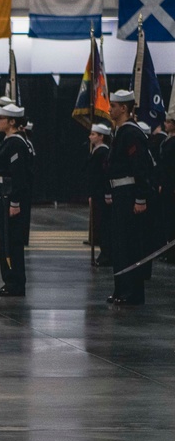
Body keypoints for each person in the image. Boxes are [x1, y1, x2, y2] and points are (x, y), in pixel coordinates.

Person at [105, 90, 152, 306]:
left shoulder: (131, 133)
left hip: (130, 193)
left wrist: (140, 198)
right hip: (120, 193)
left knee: (130, 244)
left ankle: (132, 292)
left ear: (124, 108)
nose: (110, 109)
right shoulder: (121, 132)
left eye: (113, 105)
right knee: (119, 244)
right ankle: (121, 289)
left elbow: (140, 168)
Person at [0, 103, 33, 297]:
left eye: (2, 119)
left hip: (9, 196)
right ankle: (10, 280)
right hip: (2, 193)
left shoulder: (16, 143)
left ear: (12, 121)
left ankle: (14, 282)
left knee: (11, 242)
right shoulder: (8, 140)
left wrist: (15, 202)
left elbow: (19, 176)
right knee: (5, 240)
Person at [87, 122, 112, 268]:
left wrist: (107, 193)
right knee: (99, 224)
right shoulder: (96, 151)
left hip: (102, 193)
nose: (90, 137)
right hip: (97, 192)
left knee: (104, 224)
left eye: (93, 134)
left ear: (101, 137)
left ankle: (107, 254)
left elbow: (105, 174)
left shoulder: (103, 152)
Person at [159, 110, 175, 262]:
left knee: (172, 218)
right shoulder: (167, 141)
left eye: (169, 122)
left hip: (172, 184)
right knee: (167, 218)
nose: (165, 124)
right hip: (166, 183)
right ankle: (168, 248)